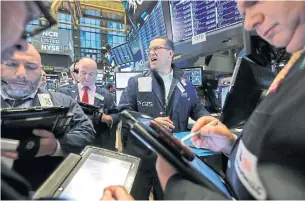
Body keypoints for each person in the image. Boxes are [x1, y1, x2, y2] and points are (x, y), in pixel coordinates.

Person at [153, 1, 305, 200]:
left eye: (255, 2)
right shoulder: (297, 65)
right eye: (243, 13)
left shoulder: (183, 82)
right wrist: (232, 146)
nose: (249, 23)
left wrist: (175, 185)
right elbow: (285, 161)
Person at [118, 36, 210, 200]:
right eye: (149, 50)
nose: (151, 53)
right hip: (141, 156)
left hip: (170, 158)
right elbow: (123, 111)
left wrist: (210, 123)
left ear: (170, 53)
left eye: (156, 48)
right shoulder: (137, 81)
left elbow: (198, 110)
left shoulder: (185, 84)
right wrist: (149, 122)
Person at [1, 43, 96, 190]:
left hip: (47, 187)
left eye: (31, 67)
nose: (21, 73)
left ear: (40, 70)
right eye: (12, 64)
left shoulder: (63, 102)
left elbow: (86, 130)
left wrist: (57, 145)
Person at [57, 58, 119, 150]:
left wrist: (107, 118)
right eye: (83, 73)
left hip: (98, 144)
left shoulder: (106, 95)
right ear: (77, 73)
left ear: (96, 75)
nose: (87, 77)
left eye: (91, 74)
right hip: (70, 144)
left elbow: (117, 115)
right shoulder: (64, 93)